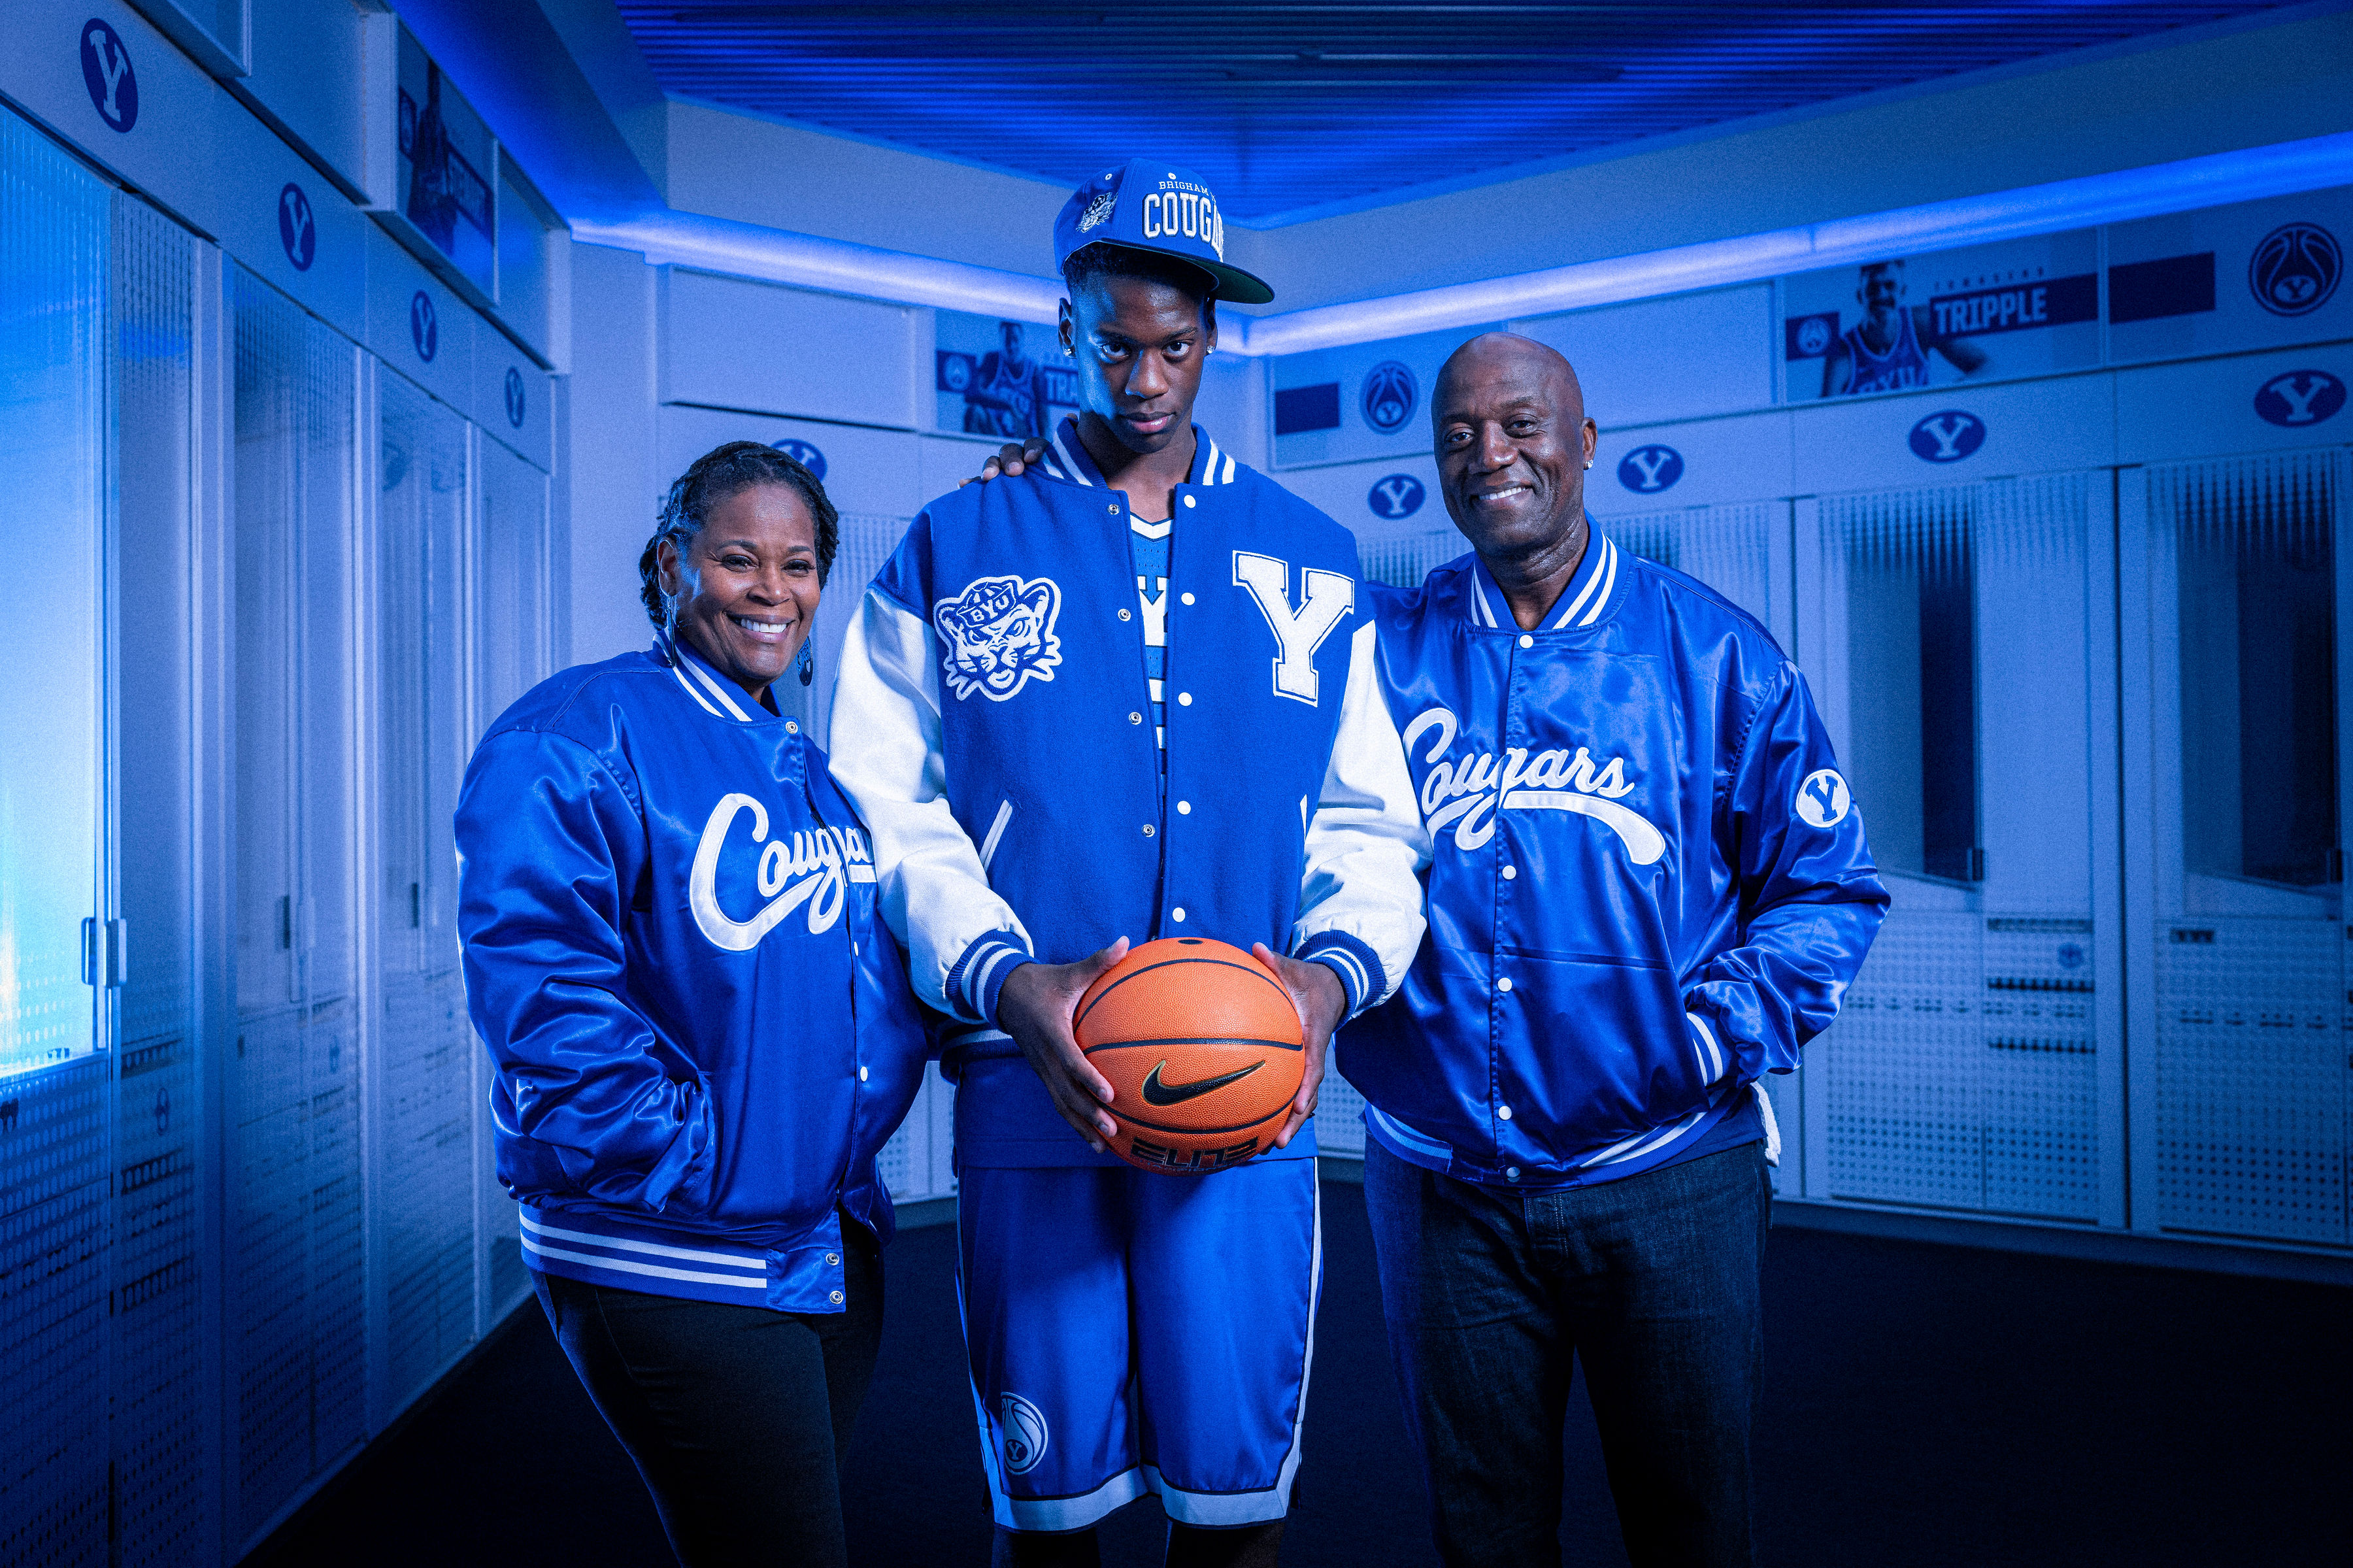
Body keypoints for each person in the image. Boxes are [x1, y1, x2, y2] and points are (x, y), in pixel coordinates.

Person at [829, 158, 1428, 1568]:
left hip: (1249, 1095)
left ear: (1213, 335)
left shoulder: (1310, 552)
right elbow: (885, 809)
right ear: (1062, 328)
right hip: (1031, 1088)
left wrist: (1326, 986)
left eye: (1174, 343)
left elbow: (1369, 821)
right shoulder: (951, 543)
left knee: (1232, 1513)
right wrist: (1001, 974)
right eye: (1114, 341)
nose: (1145, 375)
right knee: (1052, 1519)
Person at [1344, 334, 1888, 1567]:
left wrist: (1698, 1038)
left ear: (1585, 444)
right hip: (1440, 1189)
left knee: (1691, 1530)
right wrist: (1059, 506)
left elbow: (1830, 894)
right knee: (1483, 1538)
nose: (1493, 454)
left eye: (1523, 424)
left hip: (1667, 1172)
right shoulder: (1378, 654)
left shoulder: (1716, 655)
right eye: (1461, 435)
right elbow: (1213, 647)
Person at [454, 442, 929, 1568]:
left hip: (821, 1235)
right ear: (673, 565)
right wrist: (701, 1162)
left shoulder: (801, 758)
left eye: (800, 563)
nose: (773, 589)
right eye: (737, 559)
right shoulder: (571, 736)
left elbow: (862, 982)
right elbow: (548, 1007)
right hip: (675, 1248)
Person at [1822, 258, 1989, 395]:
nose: (1881, 295)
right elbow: (1824, 414)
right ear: (1860, 296)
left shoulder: (1921, 323)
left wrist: (1946, 399)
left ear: (1903, 291)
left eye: (1890, 286)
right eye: (1873, 288)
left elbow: (1984, 366)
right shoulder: (1843, 351)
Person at [963, 319, 1052, 438]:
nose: (1011, 346)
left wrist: (1045, 450)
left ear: (1022, 340)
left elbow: (1043, 416)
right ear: (1001, 340)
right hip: (995, 434)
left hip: (1022, 442)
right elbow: (973, 392)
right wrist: (1009, 405)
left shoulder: (1035, 370)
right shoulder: (993, 360)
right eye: (1007, 340)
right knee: (974, 412)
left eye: (1015, 339)